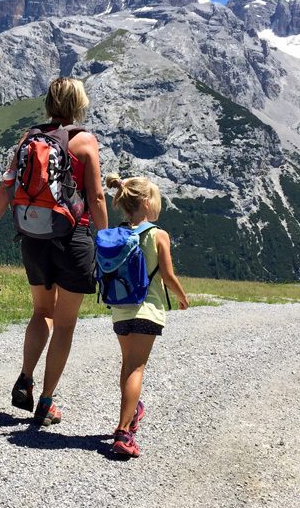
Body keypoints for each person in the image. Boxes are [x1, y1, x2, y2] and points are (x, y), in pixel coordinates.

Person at [0, 77, 107, 426]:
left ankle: (26, 376)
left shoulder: (28, 139)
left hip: (33, 237)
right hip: (73, 239)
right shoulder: (84, 142)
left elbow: (6, 190)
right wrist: (107, 241)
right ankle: (46, 402)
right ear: (79, 104)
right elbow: (95, 198)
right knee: (64, 324)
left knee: (41, 312)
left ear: (49, 103)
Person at [103, 173, 189, 458]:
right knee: (137, 369)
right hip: (147, 310)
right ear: (145, 202)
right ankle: (123, 431)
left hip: (119, 310)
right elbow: (167, 274)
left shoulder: (117, 234)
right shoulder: (158, 234)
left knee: (128, 366)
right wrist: (181, 295)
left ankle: (132, 409)